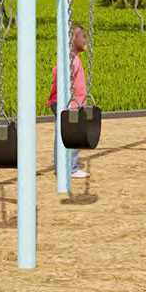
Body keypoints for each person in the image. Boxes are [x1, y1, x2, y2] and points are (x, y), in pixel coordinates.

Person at [50, 23, 94, 179]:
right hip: (69, 104)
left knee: (64, 135)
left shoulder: (71, 59)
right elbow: (61, 76)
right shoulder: (71, 60)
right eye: (83, 35)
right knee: (74, 136)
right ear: (73, 39)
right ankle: (70, 168)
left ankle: (64, 166)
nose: (86, 38)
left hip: (68, 103)